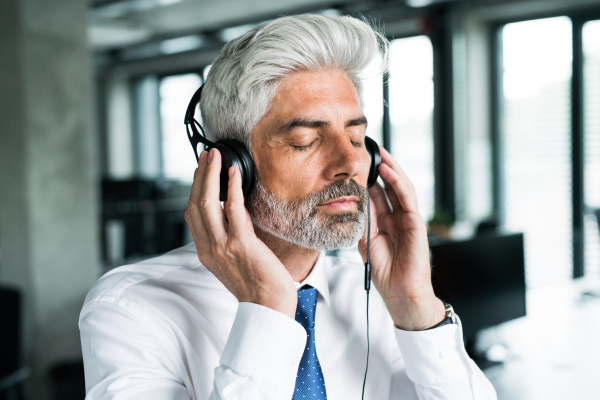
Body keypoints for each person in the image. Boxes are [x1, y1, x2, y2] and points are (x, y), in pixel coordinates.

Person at [80, 14, 497, 400]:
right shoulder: (132, 308)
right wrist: (267, 307)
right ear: (231, 164)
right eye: (305, 141)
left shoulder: (373, 296)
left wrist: (418, 308)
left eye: (356, 139)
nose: (350, 163)